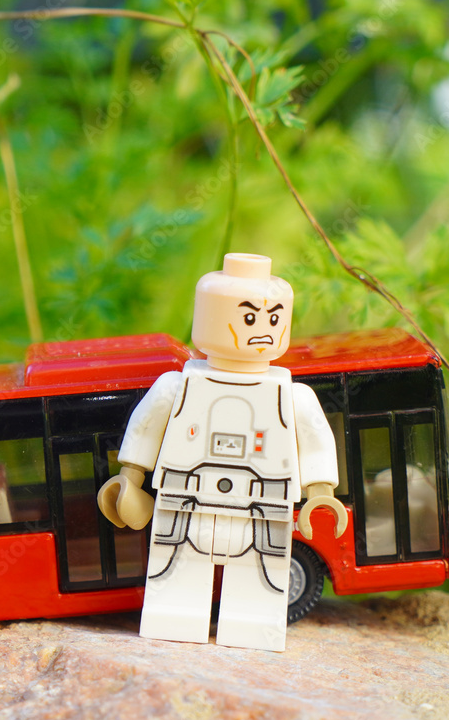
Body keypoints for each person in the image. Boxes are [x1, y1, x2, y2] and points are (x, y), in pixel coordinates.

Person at [97, 252, 347, 651]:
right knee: (177, 569)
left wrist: (320, 494)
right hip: (185, 498)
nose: (262, 329)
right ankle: (172, 618)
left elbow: (315, 438)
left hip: (264, 505)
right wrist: (130, 480)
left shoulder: (292, 395)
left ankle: (254, 626)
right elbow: (146, 427)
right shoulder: (178, 385)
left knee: (260, 578)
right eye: (249, 318)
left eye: (272, 318)